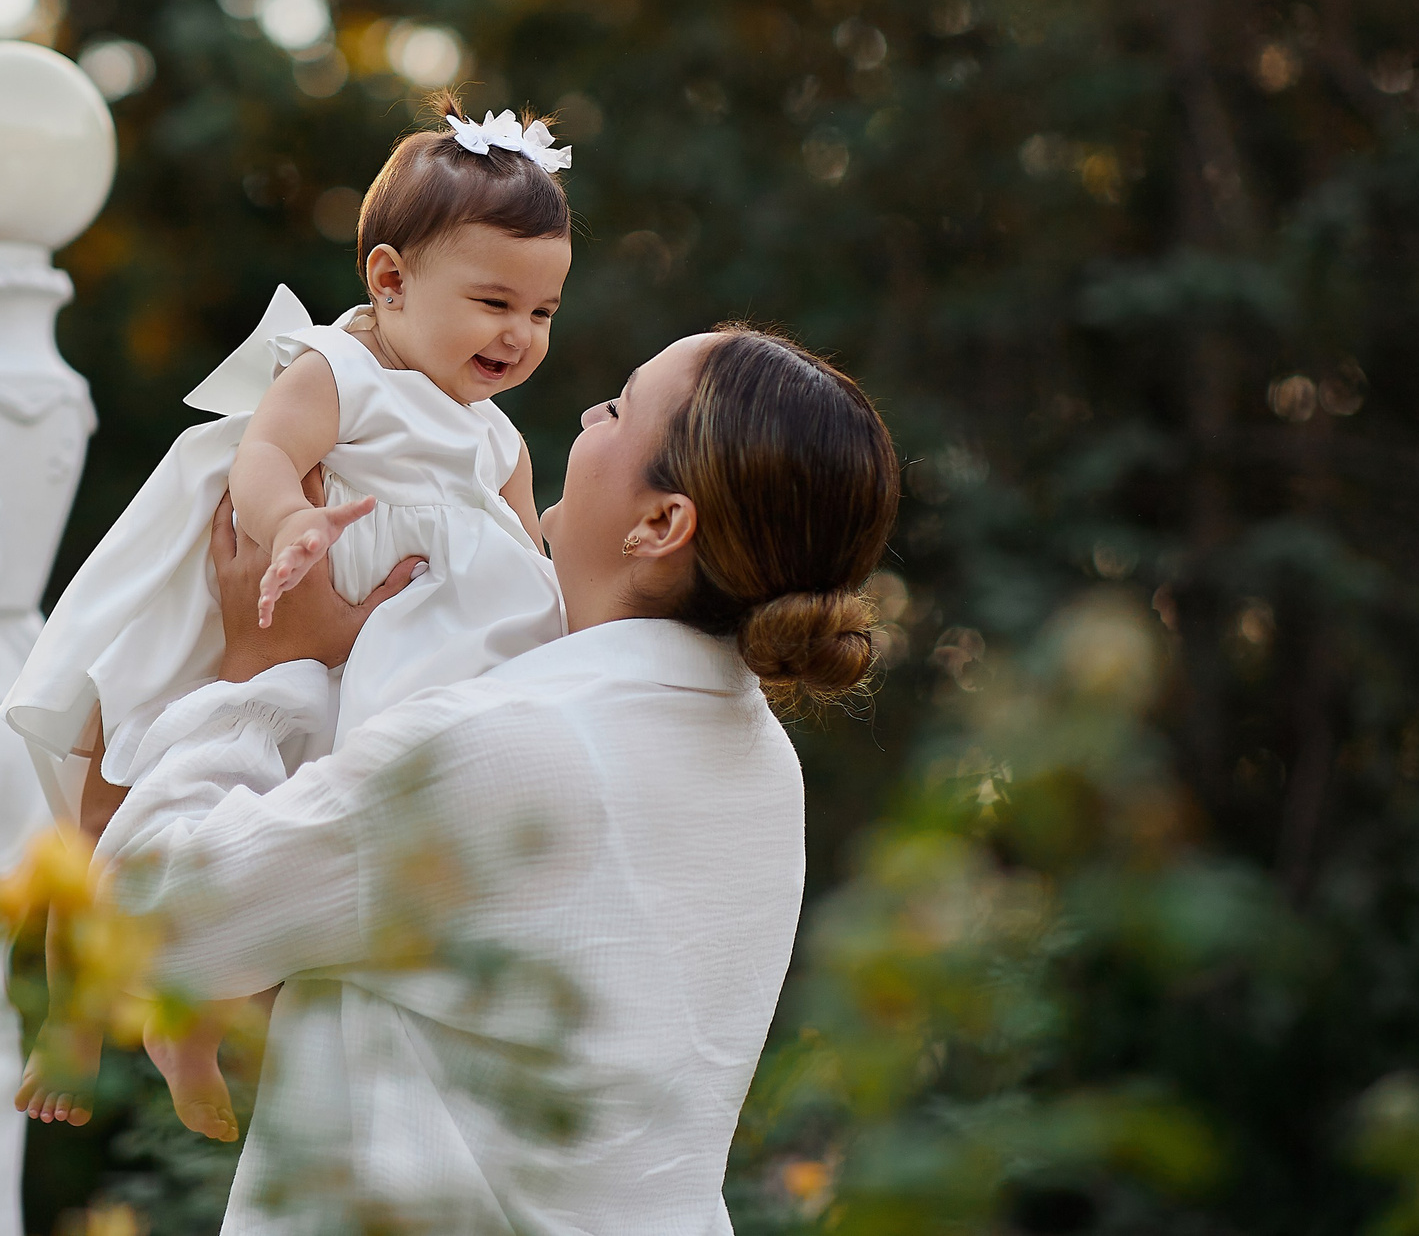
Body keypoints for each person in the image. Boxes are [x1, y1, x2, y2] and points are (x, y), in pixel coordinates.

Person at [79, 326, 901, 1234]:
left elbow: (139, 922)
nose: (588, 417)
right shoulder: (762, 763)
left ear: (661, 524)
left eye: (619, 408)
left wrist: (261, 669)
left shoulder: (509, 742)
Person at [5, 96, 577, 1138]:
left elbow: (531, 566)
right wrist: (293, 525)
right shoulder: (340, 366)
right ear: (391, 280)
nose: (517, 335)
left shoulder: (496, 442)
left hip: (361, 666)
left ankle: (202, 1026)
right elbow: (264, 455)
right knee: (105, 804)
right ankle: (71, 1026)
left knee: (284, 833)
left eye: (541, 313)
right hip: (256, 597)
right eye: (494, 301)